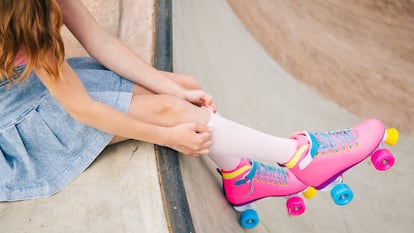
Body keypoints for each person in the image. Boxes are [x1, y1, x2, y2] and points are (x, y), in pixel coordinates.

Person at [0, 0, 393, 207]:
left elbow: (98, 39)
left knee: (180, 89)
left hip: (43, 90)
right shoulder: (16, 28)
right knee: (174, 116)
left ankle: (242, 177)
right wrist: (168, 135)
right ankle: (301, 156)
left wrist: (169, 85)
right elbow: (80, 108)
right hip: (23, 133)